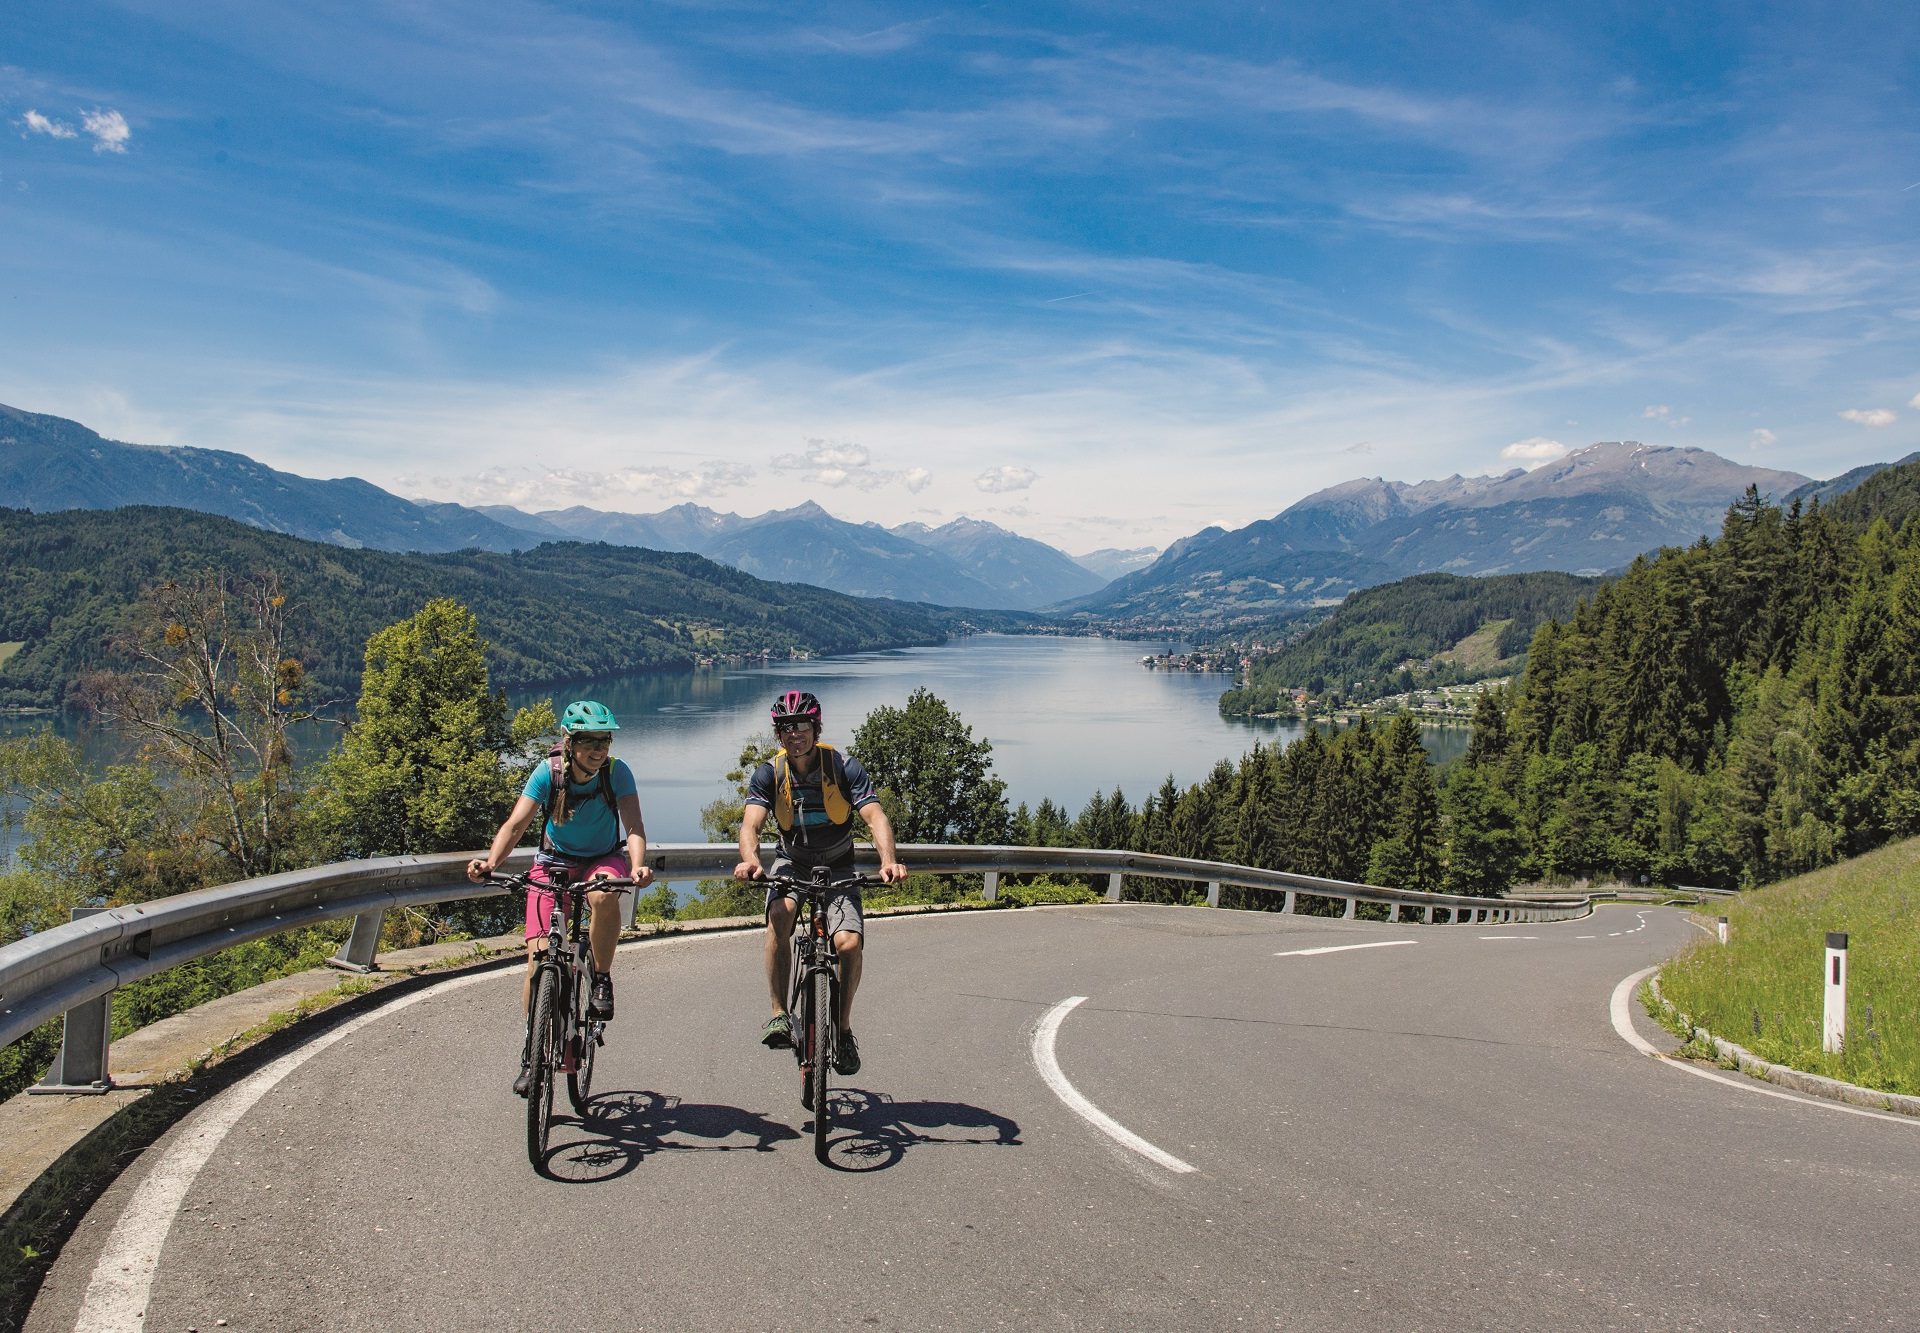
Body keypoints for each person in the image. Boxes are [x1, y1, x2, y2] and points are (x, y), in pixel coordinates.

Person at [468, 699, 653, 1094]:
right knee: (538, 963)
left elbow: (634, 825)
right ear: (570, 743)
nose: (599, 749)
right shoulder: (547, 773)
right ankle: (532, 1054)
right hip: (552, 862)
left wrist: (636, 866)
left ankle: (601, 978)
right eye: (589, 741)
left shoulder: (617, 774)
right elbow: (516, 824)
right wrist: (489, 862)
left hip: (602, 859)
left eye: (604, 740)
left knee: (604, 896)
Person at [733, 689, 907, 1078]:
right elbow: (751, 824)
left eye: (802, 726)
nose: (794, 734)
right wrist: (749, 860)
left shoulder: (845, 768)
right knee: (780, 913)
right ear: (778, 735)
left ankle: (842, 1029)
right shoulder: (769, 773)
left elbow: (875, 817)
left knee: (847, 944)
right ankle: (779, 1014)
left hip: (838, 864)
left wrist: (889, 861)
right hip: (791, 861)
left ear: (816, 728)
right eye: (786, 728)